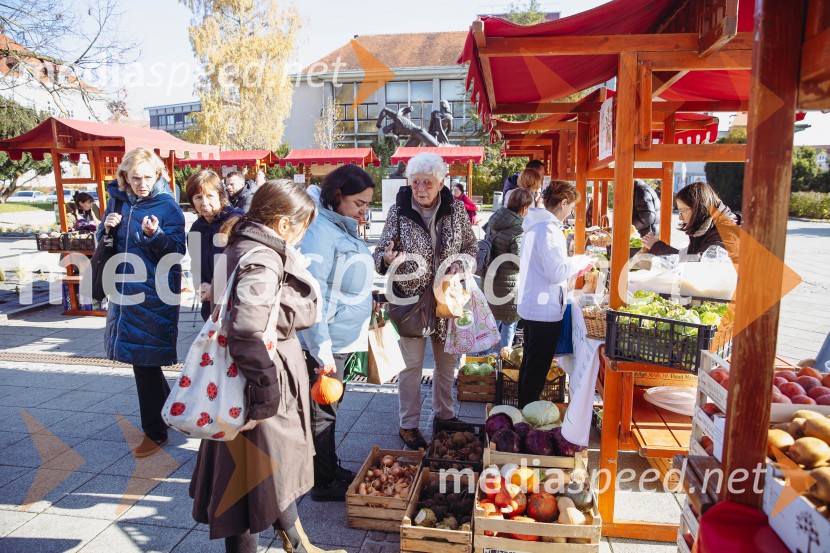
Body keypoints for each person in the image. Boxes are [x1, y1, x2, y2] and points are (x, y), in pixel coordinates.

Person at [190, 180, 345, 553]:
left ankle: (298, 543)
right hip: (254, 385)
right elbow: (246, 329)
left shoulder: (246, 245)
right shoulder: (262, 257)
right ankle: (292, 544)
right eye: (302, 226)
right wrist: (266, 392)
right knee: (245, 488)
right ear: (282, 225)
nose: (304, 235)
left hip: (245, 381)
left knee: (266, 474)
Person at [373, 152, 478, 450]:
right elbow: (380, 251)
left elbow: (471, 247)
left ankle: (444, 415)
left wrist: (463, 264)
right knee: (411, 366)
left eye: (427, 183)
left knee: (447, 364)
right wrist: (386, 257)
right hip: (410, 300)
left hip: (446, 299)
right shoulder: (399, 210)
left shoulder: (456, 210)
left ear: (441, 182)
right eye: (416, 182)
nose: (420, 188)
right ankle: (408, 425)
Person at [99, 148, 185, 457]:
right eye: (135, 178)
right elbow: (107, 244)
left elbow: (177, 251)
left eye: (148, 177)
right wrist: (105, 228)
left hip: (154, 292)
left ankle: (155, 432)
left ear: (158, 175)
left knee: (144, 362)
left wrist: (155, 234)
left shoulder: (167, 206)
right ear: (124, 176)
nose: (142, 184)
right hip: (124, 291)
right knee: (142, 360)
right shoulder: (118, 201)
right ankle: (170, 412)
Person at [297, 165, 375, 502]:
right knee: (322, 412)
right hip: (326, 343)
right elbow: (315, 295)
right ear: (337, 195)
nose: (364, 209)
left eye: (368, 203)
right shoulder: (320, 231)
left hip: (341, 337)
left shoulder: (340, 225)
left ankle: (328, 466)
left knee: (330, 409)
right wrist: (321, 348)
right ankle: (322, 480)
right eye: (359, 202)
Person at [516, 181, 593, 408]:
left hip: (534, 305)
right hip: (543, 310)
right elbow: (556, 271)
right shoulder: (547, 229)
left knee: (531, 365)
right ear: (563, 203)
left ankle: (524, 409)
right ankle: (526, 413)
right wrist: (581, 261)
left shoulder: (537, 226)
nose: (570, 213)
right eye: (571, 207)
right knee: (536, 368)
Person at [185, 169, 244, 321]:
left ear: (220, 195)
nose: (204, 203)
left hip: (237, 305)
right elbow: (196, 264)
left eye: (210, 196)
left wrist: (216, 288)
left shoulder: (236, 221)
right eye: (198, 197)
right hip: (210, 306)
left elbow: (243, 265)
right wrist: (201, 285)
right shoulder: (197, 228)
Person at [485, 188, 534, 352]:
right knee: (509, 322)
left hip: (490, 278)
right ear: (525, 207)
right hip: (508, 283)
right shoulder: (518, 228)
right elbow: (519, 261)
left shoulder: (494, 221)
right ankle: (504, 359)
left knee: (491, 323)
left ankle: (484, 358)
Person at [643, 180, 740, 262]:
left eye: (682, 211)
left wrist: (657, 247)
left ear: (698, 209)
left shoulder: (724, 231)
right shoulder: (704, 225)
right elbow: (691, 254)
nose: (680, 218)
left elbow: (698, 263)